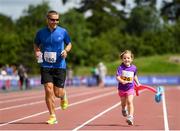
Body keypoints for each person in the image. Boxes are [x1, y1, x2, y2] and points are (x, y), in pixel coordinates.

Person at [33, 10, 72, 125]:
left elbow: (69, 43)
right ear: (47, 20)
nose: (55, 22)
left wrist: (66, 51)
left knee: (57, 93)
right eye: (53, 19)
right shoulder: (41, 33)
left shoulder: (63, 32)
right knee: (48, 90)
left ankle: (64, 95)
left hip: (59, 65)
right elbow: (36, 43)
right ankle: (52, 116)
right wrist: (37, 51)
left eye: (57, 20)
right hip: (46, 65)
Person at [116, 50, 140, 126]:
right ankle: (123, 109)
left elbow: (134, 75)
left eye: (128, 58)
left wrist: (138, 83)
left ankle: (130, 117)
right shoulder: (120, 67)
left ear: (131, 59)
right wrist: (121, 81)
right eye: (124, 58)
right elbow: (117, 77)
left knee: (130, 101)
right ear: (122, 59)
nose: (126, 59)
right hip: (122, 89)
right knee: (123, 103)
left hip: (130, 88)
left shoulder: (134, 68)